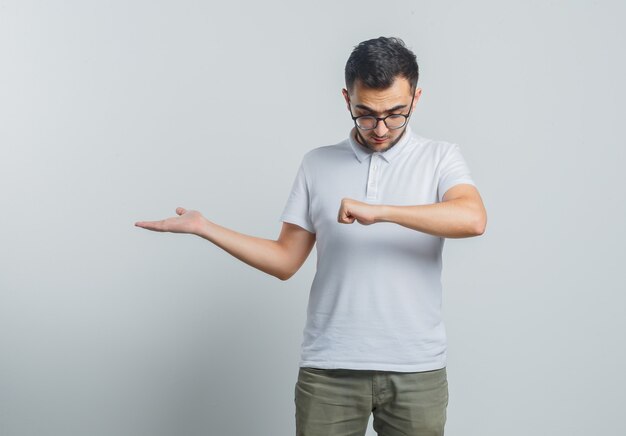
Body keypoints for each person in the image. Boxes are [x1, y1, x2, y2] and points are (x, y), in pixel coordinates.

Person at [135, 36, 487, 436]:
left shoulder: (440, 157)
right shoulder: (317, 164)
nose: (380, 128)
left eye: (396, 114)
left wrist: (382, 211)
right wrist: (205, 227)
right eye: (365, 114)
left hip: (416, 367)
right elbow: (286, 260)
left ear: (416, 98)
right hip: (329, 369)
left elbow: (472, 218)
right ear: (346, 98)